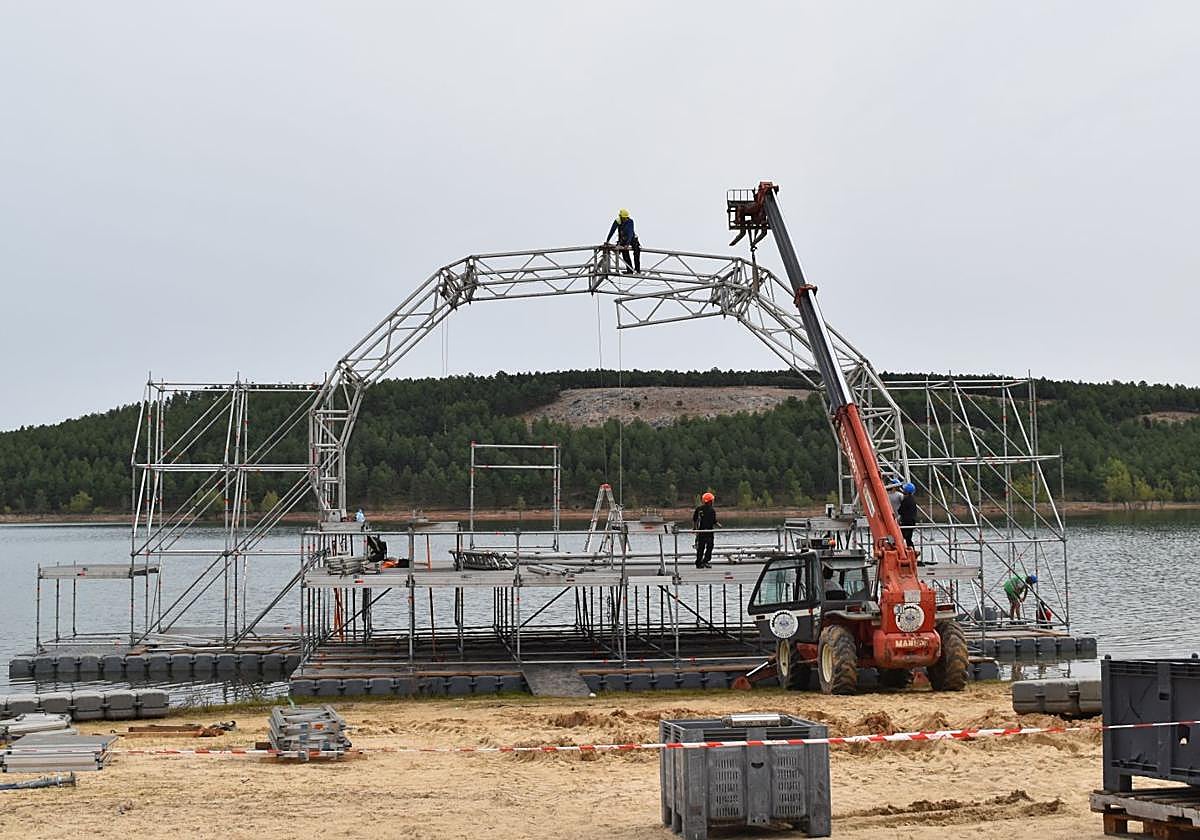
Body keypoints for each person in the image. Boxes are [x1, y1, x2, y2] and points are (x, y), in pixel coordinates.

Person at [605, 208, 641, 273]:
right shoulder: (618, 221)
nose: (625, 219)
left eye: (626, 218)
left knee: (636, 252)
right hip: (623, 239)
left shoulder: (630, 221)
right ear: (621, 217)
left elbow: (630, 233)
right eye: (624, 218)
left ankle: (637, 270)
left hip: (632, 239)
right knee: (624, 253)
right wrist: (607, 240)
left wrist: (627, 244)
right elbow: (612, 231)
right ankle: (629, 270)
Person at [692, 491, 718, 568]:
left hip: (706, 531)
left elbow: (713, 520)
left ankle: (702, 561)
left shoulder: (709, 510)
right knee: (705, 547)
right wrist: (695, 529)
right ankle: (702, 562)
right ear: (710, 501)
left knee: (706, 547)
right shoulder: (702, 510)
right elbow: (695, 519)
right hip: (705, 531)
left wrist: (718, 524)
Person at [897, 482, 918, 549]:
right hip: (912, 521)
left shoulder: (906, 500)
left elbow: (900, 511)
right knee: (908, 538)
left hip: (905, 522)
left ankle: (905, 550)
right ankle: (912, 551)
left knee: (900, 537)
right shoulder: (913, 500)